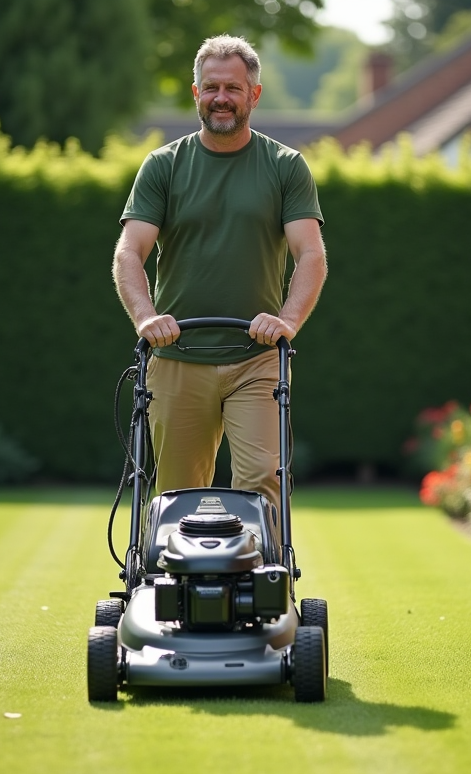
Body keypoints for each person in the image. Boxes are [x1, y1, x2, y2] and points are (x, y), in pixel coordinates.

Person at [112, 35, 327, 509]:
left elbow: (310, 253)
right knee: (174, 494)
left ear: (255, 93)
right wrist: (146, 319)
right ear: (196, 93)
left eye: (233, 87)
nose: (221, 98)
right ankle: (172, 582)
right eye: (211, 87)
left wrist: (287, 321)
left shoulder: (285, 166)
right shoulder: (163, 167)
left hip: (257, 355)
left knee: (261, 482)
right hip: (178, 356)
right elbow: (130, 251)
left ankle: (265, 581)